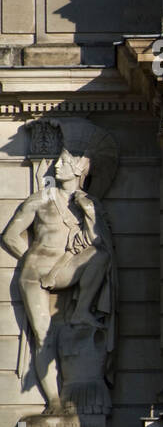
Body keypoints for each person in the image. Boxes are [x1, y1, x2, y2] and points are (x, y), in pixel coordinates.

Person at [2, 149, 113, 411]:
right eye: (58, 161)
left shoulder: (87, 203)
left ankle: (82, 311)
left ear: (79, 168)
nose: (58, 166)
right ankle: (53, 400)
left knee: (100, 256)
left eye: (65, 162)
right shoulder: (40, 200)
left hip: (64, 269)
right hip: (35, 273)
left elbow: (100, 241)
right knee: (43, 337)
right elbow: (10, 235)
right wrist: (30, 257)